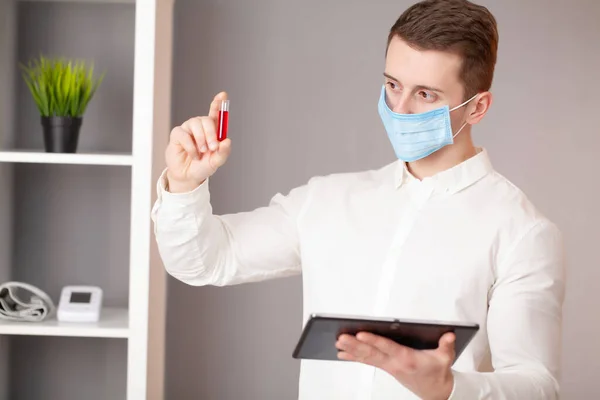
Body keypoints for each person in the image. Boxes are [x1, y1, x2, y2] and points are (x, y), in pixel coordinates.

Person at [151, 0, 566, 398]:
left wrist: (449, 389)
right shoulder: (327, 200)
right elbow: (204, 261)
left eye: (425, 95)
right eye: (392, 85)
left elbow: (536, 385)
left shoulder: (522, 232)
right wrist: (185, 184)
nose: (399, 109)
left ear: (477, 108)